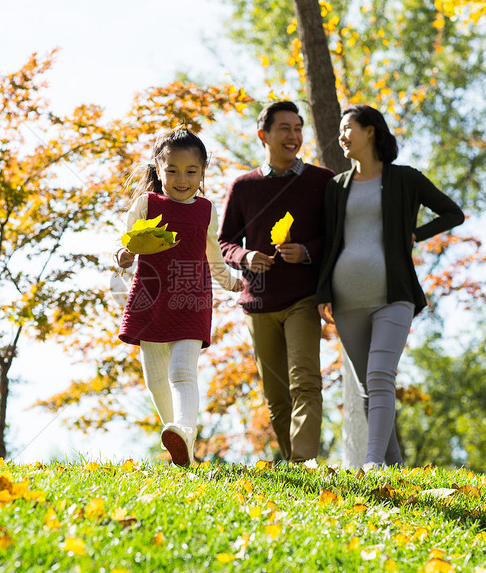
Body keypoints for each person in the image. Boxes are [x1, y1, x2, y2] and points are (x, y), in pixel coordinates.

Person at [316, 104, 465, 470]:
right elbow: (329, 241)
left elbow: (452, 212)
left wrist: (416, 234)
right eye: (340, 129)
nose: (342, 135)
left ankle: (371, 462)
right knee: (370, 385)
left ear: (370, 131)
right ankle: (394, 467)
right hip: (346, 300)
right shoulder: (337, 186)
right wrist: (323, 293)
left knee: (381, 375)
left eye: (348, 127)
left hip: (393, 295)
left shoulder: (405, 179)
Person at [115, 127, 243, 467]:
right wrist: (123, 256)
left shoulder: (206, 210)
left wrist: (232, 282)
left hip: (192, 300)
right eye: (172, 171)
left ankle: (184, 430)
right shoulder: (146, 203)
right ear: (159, 170)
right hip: (151, 298)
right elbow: (125, 244)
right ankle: (179, 445)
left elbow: (212, 254)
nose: (181, 179)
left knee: (183, 373)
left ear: (202, 173)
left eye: (190, 172)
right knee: (156, 382)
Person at [218, 101, 334, 463]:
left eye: (298, 128)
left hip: (303, 297)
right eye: (284, 128)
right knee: (277, 396)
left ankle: (305, 463)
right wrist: (245, 257)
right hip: (258, 303)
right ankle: (296, 470)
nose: (294, 135)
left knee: (305, 382)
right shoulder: (243, 187)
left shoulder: (322, 180)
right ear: (263, 135)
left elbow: (336, 234)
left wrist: (307, 251)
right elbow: (224, 243)